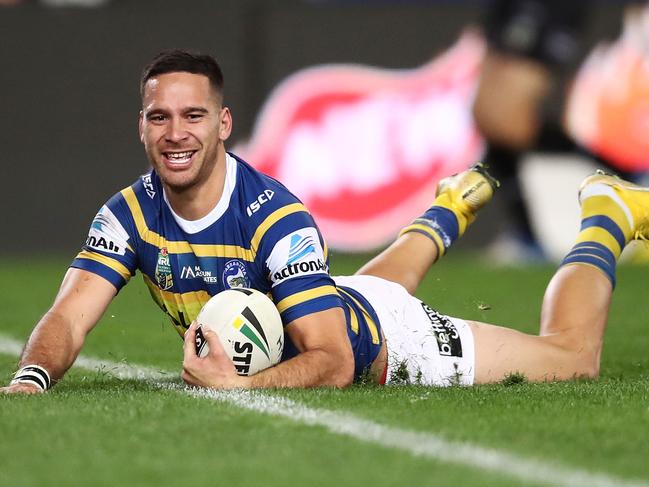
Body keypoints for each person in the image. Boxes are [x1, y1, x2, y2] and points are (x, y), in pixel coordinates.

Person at [2, 49, 648, 393]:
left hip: (391, 345)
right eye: (159, 117)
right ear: (140, 126)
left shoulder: (274, 217)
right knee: (363, 287)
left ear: (223, 125)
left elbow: (335, 361)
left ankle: (605, 217)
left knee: (570, 358)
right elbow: (69, 313)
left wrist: (238, 386)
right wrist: (32, 375)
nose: (176, 134)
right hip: (341, 298)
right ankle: (447, 207)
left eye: (193, 116)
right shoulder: (127, 212)